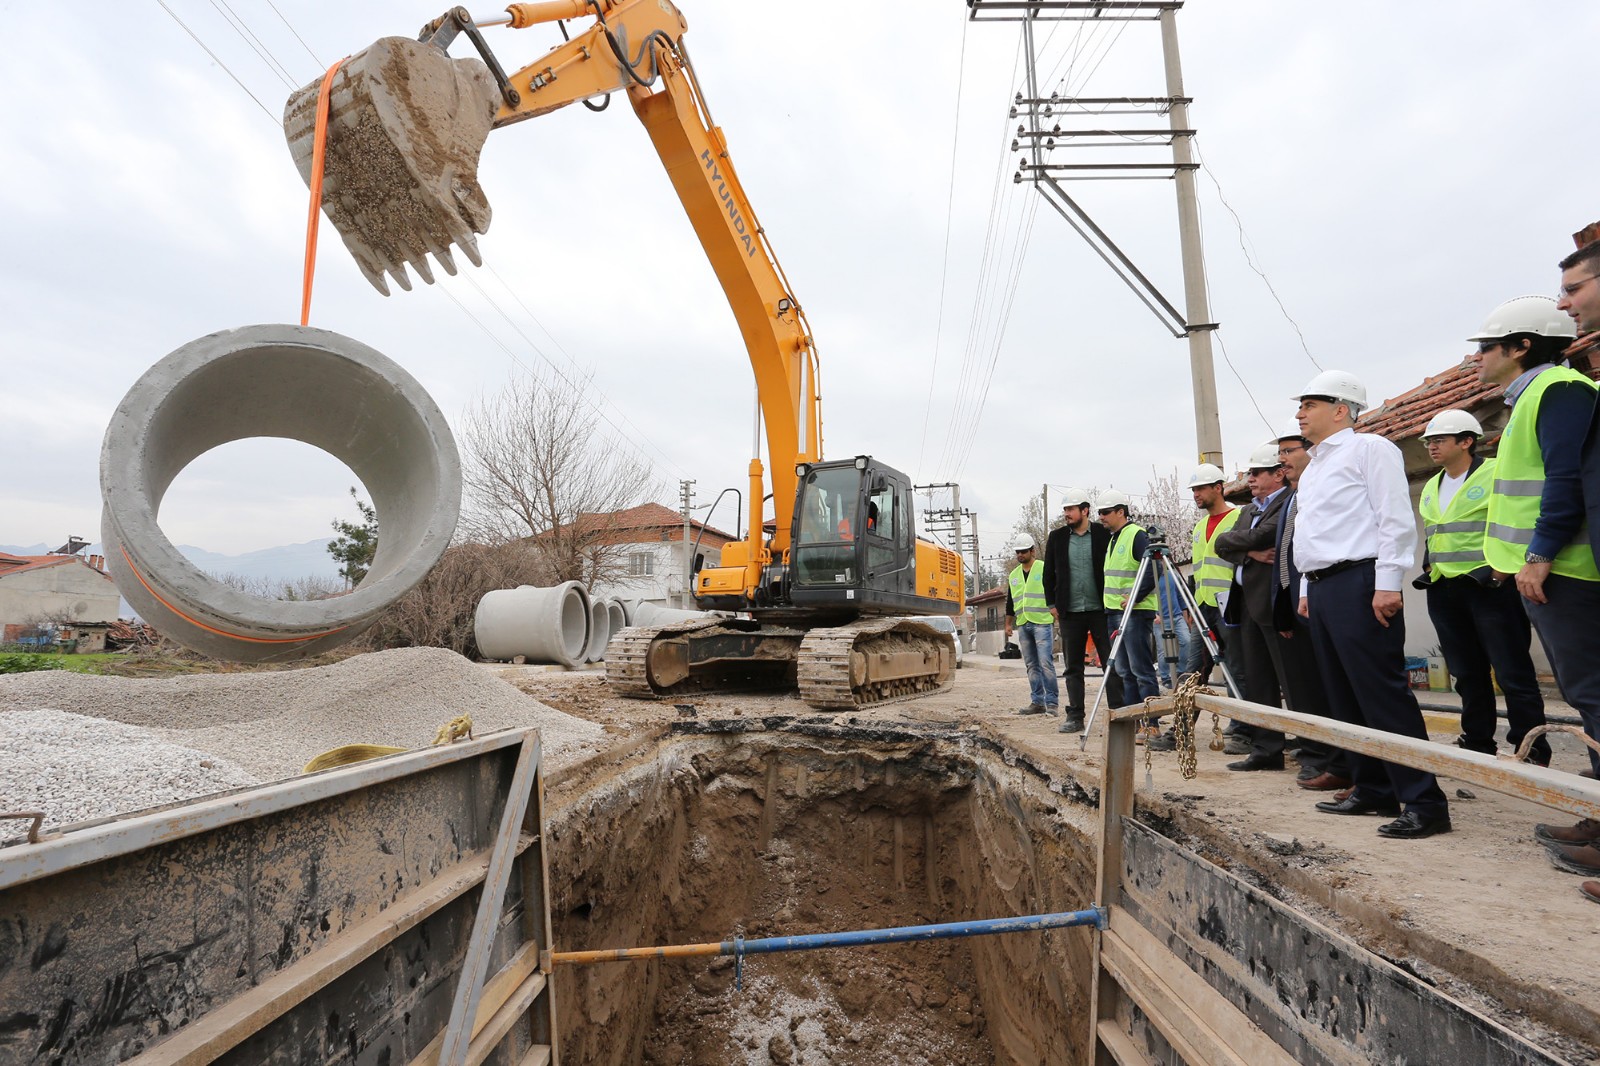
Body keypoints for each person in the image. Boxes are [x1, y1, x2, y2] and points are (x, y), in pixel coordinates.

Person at [1468, 295, 1600, 878]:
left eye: (1486, 346)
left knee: (1595, 694)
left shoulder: (1560, 390)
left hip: (1569, 571)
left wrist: (1540, 554)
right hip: (1550, 572)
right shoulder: (1530, 399)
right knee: (1585, 695)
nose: (1476, 357)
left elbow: (1567, 478)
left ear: (1522, 346)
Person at [1293, 369, 1452, 840]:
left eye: (1309, 405)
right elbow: (1313, 534)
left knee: (1382, 694)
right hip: (1323, 586)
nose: (1299, 414)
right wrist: (1306, 589)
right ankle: (1374, 785)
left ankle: (1424, 800)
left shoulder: (1370, 450)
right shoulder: (1316, 465)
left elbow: (1394, 519)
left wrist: (1387, 583)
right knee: (1343, 695)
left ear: (1341, 409)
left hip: (1360, 581)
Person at [1414, 409, 1550, 764]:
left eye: (1439, 440)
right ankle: (1477, 742)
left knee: (1512, 671)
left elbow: (1520, 522)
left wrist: (1504, 571)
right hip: (1445, 589)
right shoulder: (1432, 484)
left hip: (1490, 586)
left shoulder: (1495, 474)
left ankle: (1530, 748)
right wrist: (1429, 564)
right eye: (1429, 441)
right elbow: (1436, 532)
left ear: (1466, 441)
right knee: (1466, 673)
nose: (1432, 446)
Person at [1273, 423, 1351, 791]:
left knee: (1332, 686)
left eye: (1289, 452)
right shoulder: (1293, 497)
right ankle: (1332, 761)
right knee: (1311, 688)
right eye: (1280, 453)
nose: (1281, 460)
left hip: (1334, 592)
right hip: (1301, 601)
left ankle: (1349, 764)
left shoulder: (1321, 486)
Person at [1214, 442, 1292, 771]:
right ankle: (1266, 749)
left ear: (1278, 474)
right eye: (1249, 474)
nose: (1251, 480)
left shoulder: (1288, 502)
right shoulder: (1247, 510)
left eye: (1257, 473)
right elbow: (1223, 543)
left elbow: (1268, 535)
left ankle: (1315, 752)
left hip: (1276, 604)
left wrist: (1250, 542)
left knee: (1291, 680)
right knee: (1258, 680)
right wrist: (1251, 553)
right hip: (1247, 605)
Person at [1042, 487, 1123, 733]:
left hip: (1101, 610)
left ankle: (1118, 714)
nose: (1066, 514)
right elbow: (1048, 574)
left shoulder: (1102, 534)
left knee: (1111, 663)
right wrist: (1052, 604)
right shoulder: (1057, 537)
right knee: (1073, 667)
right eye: (1065, 509)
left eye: (1071, 509)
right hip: (1070, 612)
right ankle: (1075, 716)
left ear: (1085, 510)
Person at [1097, 489, 1160, 706]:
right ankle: (1134, 719)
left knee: (1141, 670)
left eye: (1105, 512)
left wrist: (1135, 596)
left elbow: (1155, 568)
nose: (1101, 517)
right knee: (1125, 671)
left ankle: (1150, 724)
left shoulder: (1136, 535)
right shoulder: (1114, 539)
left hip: (1135, 613)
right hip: (1115, 613)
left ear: (1120, 512)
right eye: (1100, 512)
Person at [1185, 463, 1241, 685]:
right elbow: (1197, 570)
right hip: (1202, 606)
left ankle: (1240, 720)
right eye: (1193, 490)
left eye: (1200, 489)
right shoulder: (1199, 527)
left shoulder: (1239, 517)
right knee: (1193, 672)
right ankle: (1185, 720)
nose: (1196, 495)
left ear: (1218, 488)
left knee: (1235, 667)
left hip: (1230, 605)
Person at [1004, 533, 1059, 717]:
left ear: (1032, 551)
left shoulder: (1044, 568)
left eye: (1023, 551)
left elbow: (1054, 591)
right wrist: (1008, 624)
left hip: (1042, 622)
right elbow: (1010, 602)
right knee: (1031, 665)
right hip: (1024, 624)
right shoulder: (1013, 575)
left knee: (1045, 664)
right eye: (1018, 552)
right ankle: (1037, 702)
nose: (1020, 555)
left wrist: (1056, 611)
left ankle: (1051, 703)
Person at [1154, 566, 1192, 691]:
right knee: (1163, 649)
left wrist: (1185, 614)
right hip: (1160, 619)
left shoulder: (1172, 574)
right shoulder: (1151, 577)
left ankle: (1180, 672)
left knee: (1187, 641)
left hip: (1176, 616)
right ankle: (1165, 678)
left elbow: (1180, 595)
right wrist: (1154, 613)